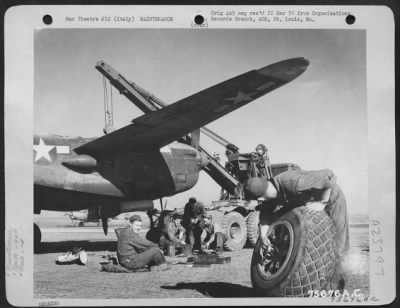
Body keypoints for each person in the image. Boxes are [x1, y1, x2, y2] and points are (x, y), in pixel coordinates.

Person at [244, 169, 350, 289]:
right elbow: (266, 216)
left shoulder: (293, 183)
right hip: (312, 202)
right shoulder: (270, 192)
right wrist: (263, 237)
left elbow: (328, 176)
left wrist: (322, 202)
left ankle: (336, 290)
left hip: (332, 197)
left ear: (262, 198)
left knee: (339, 245)